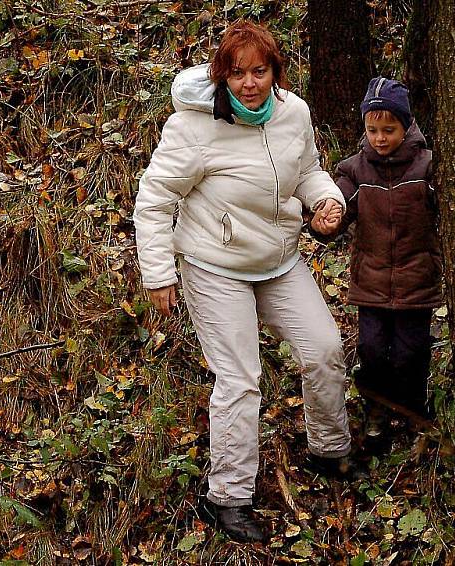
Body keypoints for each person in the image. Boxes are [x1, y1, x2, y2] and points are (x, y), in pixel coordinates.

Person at [133, 21, 353, 543]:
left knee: (324, 348)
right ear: (221, 77)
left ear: (275, 73)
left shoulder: (293, 113)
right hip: (213, 265)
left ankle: (329, 448)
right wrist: (159, 273)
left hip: (278, 257)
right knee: (240, 379)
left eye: (260, 71)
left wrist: (326, 200)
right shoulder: (193, 128)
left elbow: (308, 171)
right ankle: (226, 498)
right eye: (237, 73)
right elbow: (154, 199)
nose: (249, 83)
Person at [311, 77, 442, 437]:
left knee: (410, 352)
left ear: (406, 126)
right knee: (371, 349)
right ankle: (376, 412)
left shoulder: (427, 167)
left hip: (417, 280)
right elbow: (338, 206)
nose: (380, 138)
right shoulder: (355, 170)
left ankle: (414, 410)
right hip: (371, 281)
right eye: (373, 130)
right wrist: (326, 221)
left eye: (389, 129)